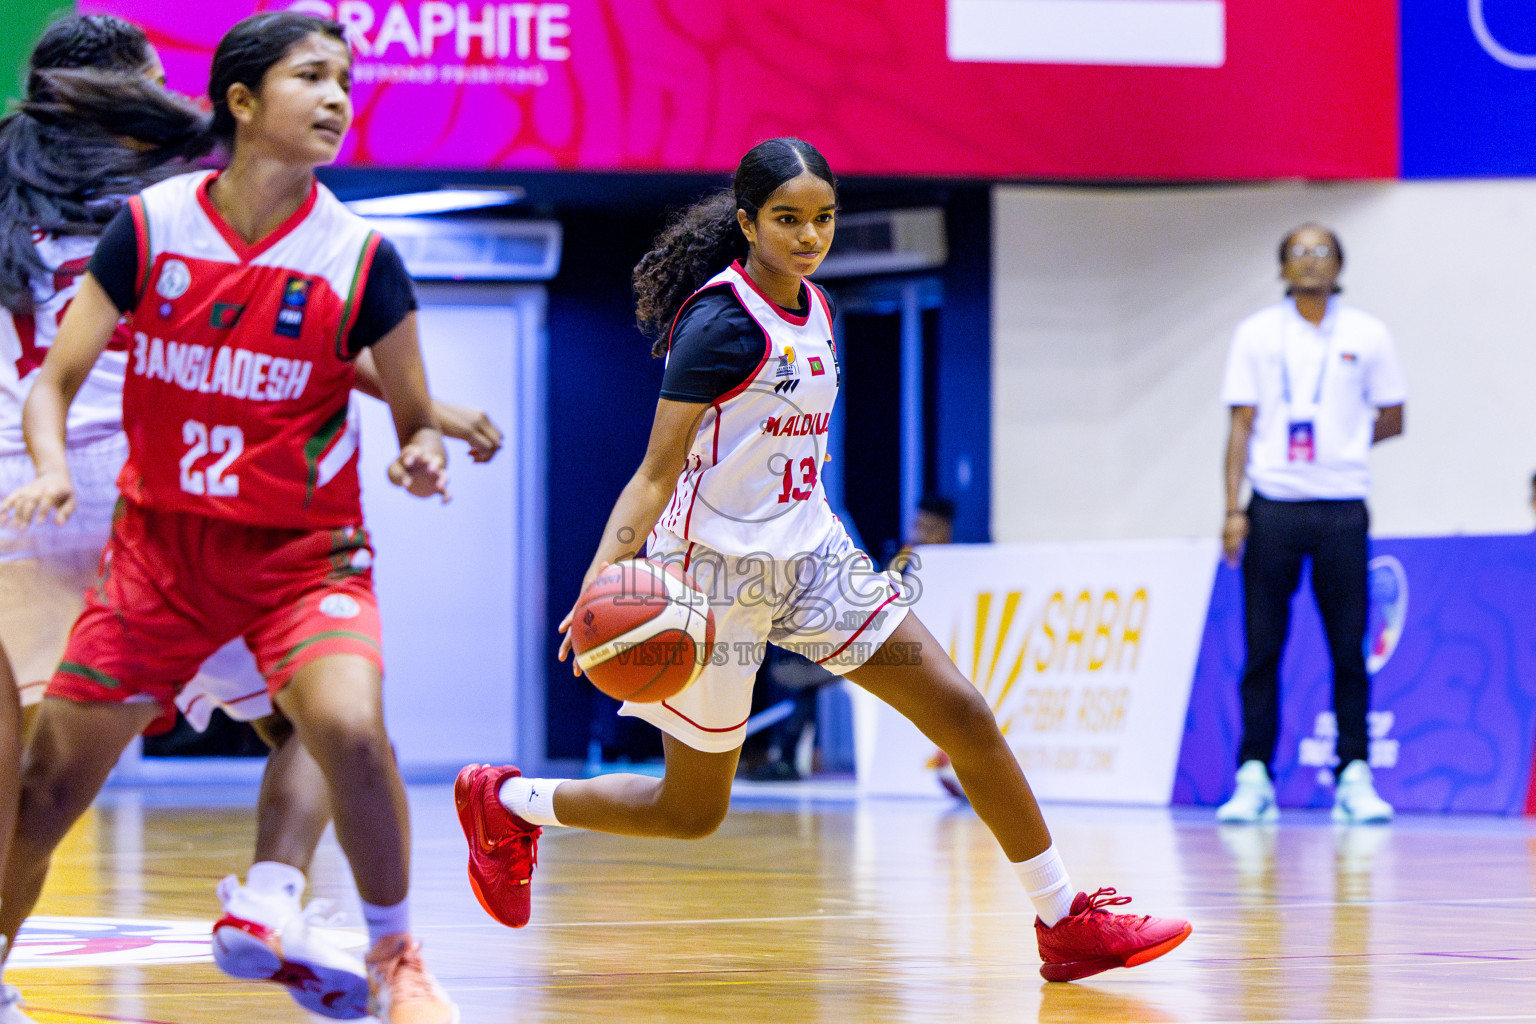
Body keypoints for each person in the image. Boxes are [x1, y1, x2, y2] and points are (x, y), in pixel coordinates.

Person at [456, 138, 1191, 983]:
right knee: (691, 812)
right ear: (747, 223)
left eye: (823, 219)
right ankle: (508, 803)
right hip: (710, 581)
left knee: (962, 714)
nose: (809, 237)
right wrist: (599, 581)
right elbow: (655, 473)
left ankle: (1064, 921)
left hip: (812, 561)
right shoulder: (719, 322)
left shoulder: (819, 307)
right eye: (788, 220)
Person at [0, 16, 500, 1021]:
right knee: (324, 723)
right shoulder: (175, 197)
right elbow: (282, 326)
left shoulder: (11, 186)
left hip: (18, 498)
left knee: (30, 789)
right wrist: (423, 410)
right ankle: (277, 895)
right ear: (131, 93)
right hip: (155, 490)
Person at [1216, 223, 1406, 826]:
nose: (1310, 260)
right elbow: (1241, 425)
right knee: (1262, 647)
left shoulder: (1367, 333)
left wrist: (1344, 446)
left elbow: (1394, 416)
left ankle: (1354, 773)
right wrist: (1232, 509)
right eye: (1298, 251)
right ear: (1281, 267)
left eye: (1322, 250)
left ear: (1340, 264)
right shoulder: (1255, 334)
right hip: (1273, 505)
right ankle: (1254, 776)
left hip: (1343, 506)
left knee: (1349, 647)